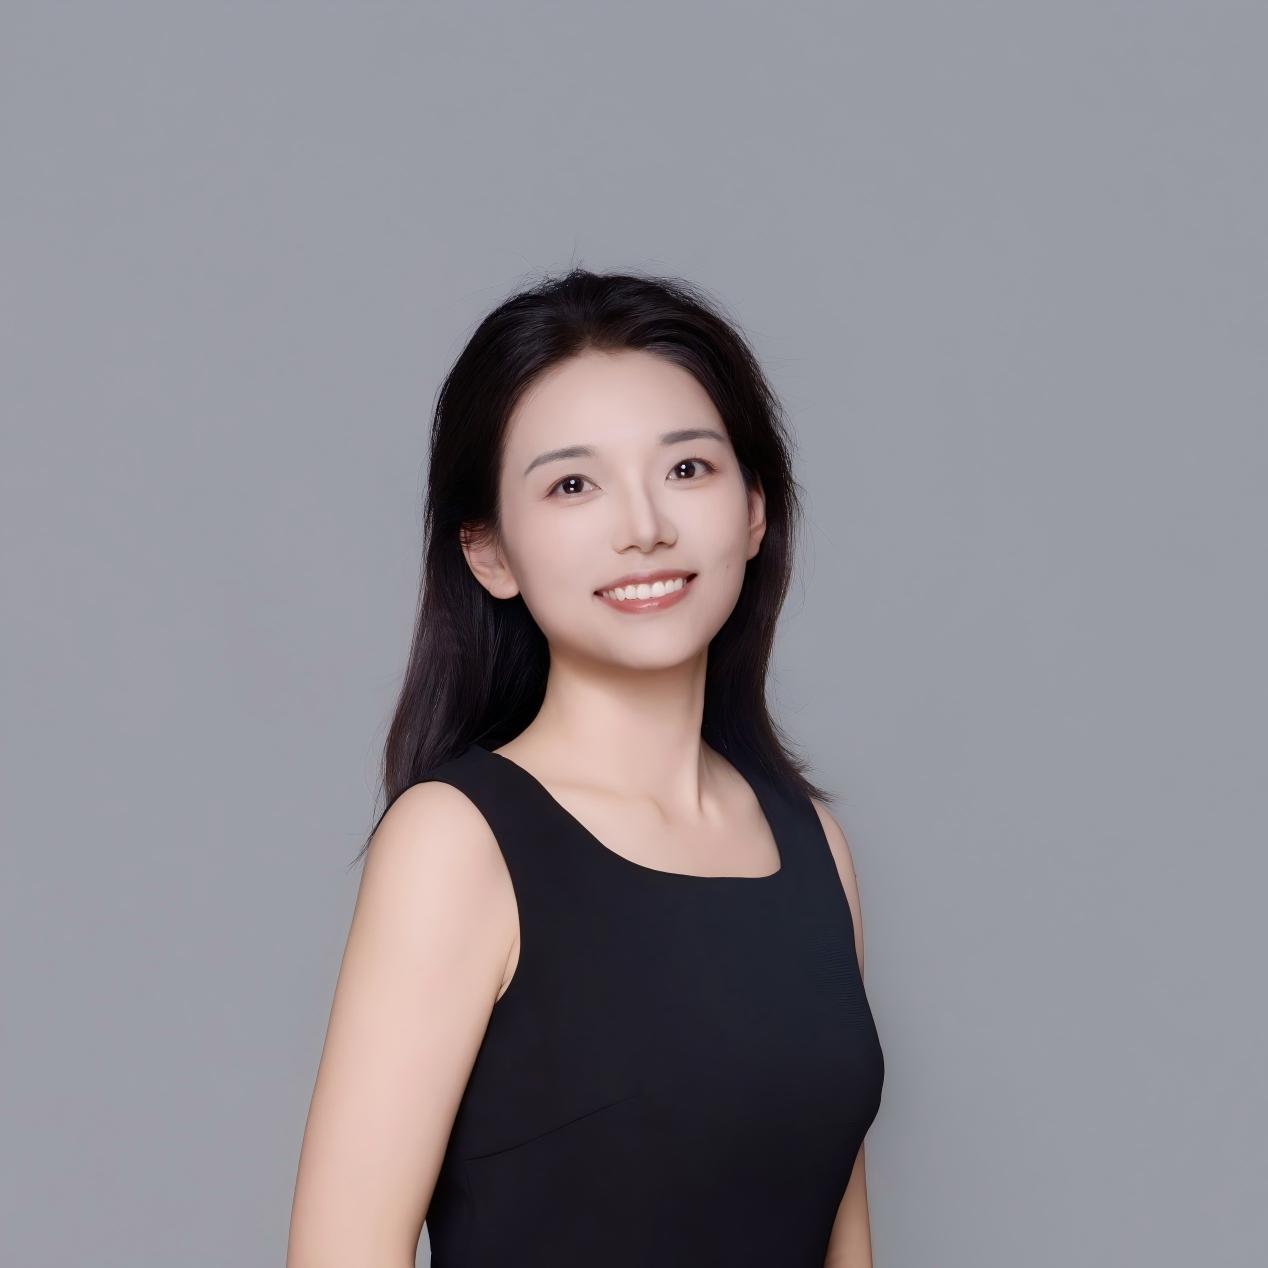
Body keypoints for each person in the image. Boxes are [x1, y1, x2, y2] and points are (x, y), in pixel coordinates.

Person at [286, 269, 885, 1267]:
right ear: (489, 552)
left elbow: (842, 1239)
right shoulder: (458, 842)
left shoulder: (809, 841)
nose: (643, 525)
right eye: (572, 484)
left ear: (753, 509)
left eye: (686, 468)